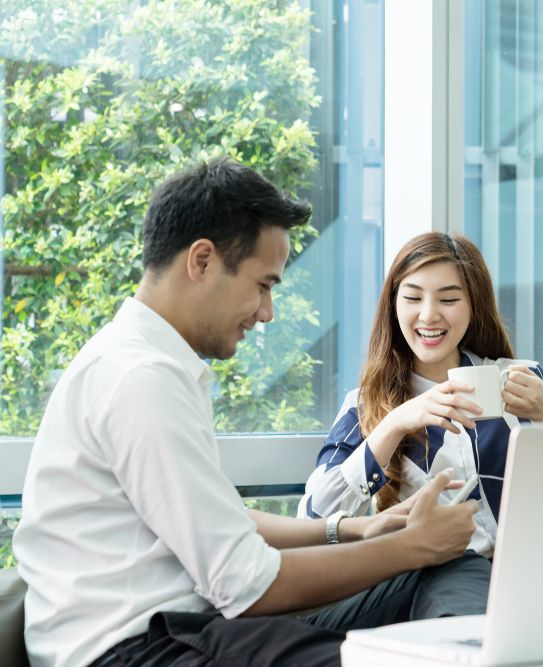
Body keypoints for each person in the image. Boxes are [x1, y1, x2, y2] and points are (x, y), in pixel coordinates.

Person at [12, 159, 490, 667]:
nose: (267, 312)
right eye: (264, 285)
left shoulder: (148, 364)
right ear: (201, 261)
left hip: (190, 627)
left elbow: (220, 517)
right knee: (395, 642)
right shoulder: (140, 379)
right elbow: (248, 586)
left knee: (449, 568)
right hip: (139, 650)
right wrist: (413, 545)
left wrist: (352, 530)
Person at [298, 232, 543, 557]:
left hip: (535, 566)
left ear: (474, 305)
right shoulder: (366, 405)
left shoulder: (525, 380)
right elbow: (312, 519)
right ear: (394, 306)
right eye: (413, 298)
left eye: (448, 299)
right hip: (439, 582)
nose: (428, 315)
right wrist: (394, 424)